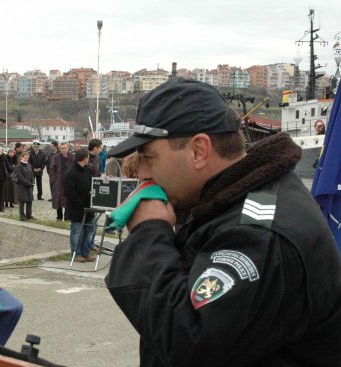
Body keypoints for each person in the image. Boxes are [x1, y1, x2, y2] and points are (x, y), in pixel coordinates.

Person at [104, 77, 341, 366]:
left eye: (149, 157)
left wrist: (148, 233)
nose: (142, 173)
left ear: (198, 150)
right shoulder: (234, 200)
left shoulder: (257, 233)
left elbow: (189, 338)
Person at [63, 148, 94, 263]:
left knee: (88, 230)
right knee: (77, 232)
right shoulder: (71, 172)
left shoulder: (86, 170)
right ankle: (76, 254)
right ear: (85, 158)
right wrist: (81, 203)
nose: (89, 159)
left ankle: (85, 253)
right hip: (77, 208)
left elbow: (91, 184)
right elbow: (69, 192)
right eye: (88, 157)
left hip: (88, 207)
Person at [50, 143, 73, 221]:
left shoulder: (72, 157)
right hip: (58, 181)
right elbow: (52, 168)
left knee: (68, 199)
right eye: (62, 148)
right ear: (60, 149)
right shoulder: (56, 157)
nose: (64, 150)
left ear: (68, 148)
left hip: (68, 181)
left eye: (65, 148)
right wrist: (53, 179)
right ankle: (59, 217)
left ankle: (67, 217)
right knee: (58, 199)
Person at [13, 151, 34, 221]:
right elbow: (20, 177)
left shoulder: (29, 165)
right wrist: (28, 183)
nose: (26, 159)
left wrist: (32, 182)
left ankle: (29, 215)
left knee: (29, 201)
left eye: (27, 158)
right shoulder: (18, 166)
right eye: (25, 158)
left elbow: (31, 174)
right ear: (21, 157)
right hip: (22, 186)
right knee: (22, 202)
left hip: (29, 185)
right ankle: (22, 216)